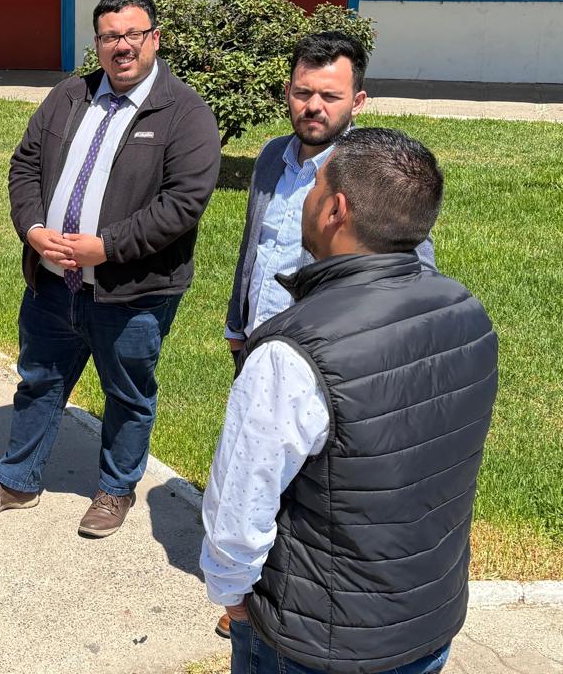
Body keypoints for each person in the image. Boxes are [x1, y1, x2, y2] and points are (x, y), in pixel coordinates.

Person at [200, 128, 497, 674]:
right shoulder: (467, 312)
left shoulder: (291, 351)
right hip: (429, 621)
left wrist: (232, 596)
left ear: (335, 209)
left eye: (312, 188)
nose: (305, 201)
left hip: (313, 645)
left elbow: (238, 510)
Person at [0, 0, 221, 538]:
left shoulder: (185, 112)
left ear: (155, 38)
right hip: (53, 283)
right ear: (97, 43)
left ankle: (115, 489)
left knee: (127, 394)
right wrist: (33, 229)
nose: (122, 46)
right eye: (109, 36)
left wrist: (108, 246)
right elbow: (25, 165)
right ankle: (17, 480)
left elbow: (183, 203)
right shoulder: (69, 95)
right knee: (39, 382)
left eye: (133, 34)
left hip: (132, 291)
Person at [215, 31, 436, 637]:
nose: (313, 106)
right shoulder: (271, 158)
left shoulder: (373, 176)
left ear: (358, 101)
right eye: (302, 92)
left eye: (330, 96)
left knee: (312, 493)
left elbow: (411, 272)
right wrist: (238, 323)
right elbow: (255, 244)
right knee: (258, 473)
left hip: (327, 365)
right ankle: (247, 586)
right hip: (262, 347)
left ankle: (279, 601)